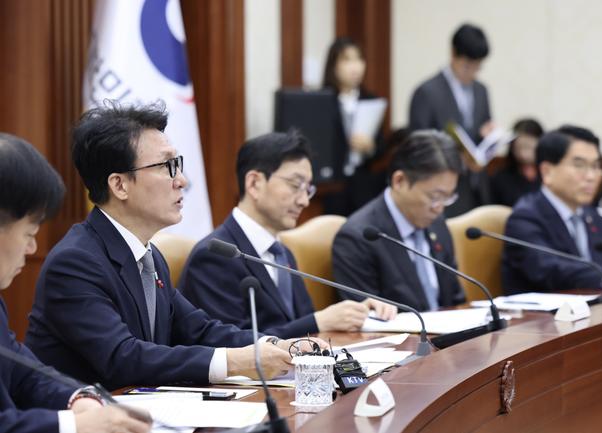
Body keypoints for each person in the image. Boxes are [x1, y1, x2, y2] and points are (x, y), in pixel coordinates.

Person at [25, 103, 306, 391]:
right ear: (119, 185)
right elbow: (123, 357)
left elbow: (200, 330)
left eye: (178, 165)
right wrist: (235, 361)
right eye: (167, 166)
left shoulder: (149, 256)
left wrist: (276, 345)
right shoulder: (74, 263)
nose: (182, 180)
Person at [179, 131, 396, 339]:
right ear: (254, 183)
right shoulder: (215, 255)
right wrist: (318, 322)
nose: (304, 201)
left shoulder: (282, 252)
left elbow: (303, 324)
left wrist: (356, 314)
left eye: (308, 189)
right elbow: (229, 344)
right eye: (295, 185)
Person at [0, 133, 150, 433]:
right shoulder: (76, 260)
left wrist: (77, 399)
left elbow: (24, 373)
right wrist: (74, 424)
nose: (32, 248)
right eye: (29, 233)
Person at [502, 125, 602, 294]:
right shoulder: (525, 218)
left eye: (596, 166)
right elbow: (551, 272)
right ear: (547, 172)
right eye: (579, 165)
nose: (591, 176)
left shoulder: (595, 218)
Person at [332, 130, 465, 311]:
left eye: (448, 197)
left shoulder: (437, 224)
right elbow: (366, 318)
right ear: (399, 181)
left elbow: (455, 299)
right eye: (434, 197)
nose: (439, 208)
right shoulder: (358, 237)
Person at [409, 23, 493, 217]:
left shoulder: (481, 90)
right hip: (442, 191)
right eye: (467, 66)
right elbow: (418, 147)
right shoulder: (427, 92)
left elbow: (481, 129)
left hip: (476, 188)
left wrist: (487, 134)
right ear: (453, 53)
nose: (472, 72)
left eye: (477, 67)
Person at [321, 36, 387, 216]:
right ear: (333, 65)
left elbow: (381, 146)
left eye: (359, 59)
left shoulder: (371, 100)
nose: (355, 67)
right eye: (347, 60)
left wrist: (370, 147)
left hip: (362, 186)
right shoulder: (323, 101)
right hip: (331, 187)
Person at [490, 118, 544, 207]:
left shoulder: (551, 173)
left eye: (528, 147)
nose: (523, 154)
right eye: (518, 148)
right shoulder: (501, 177)